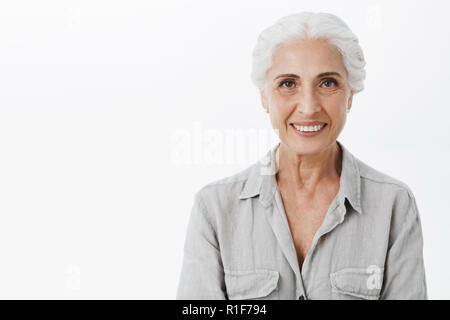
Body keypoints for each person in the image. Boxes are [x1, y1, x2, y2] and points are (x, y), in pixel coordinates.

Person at [176, 11, 427, 300]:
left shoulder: (393, 205)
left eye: (328, 82)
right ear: (264, 96)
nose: (308, 107)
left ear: (350, 95)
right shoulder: (215, 209)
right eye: (287, 83)